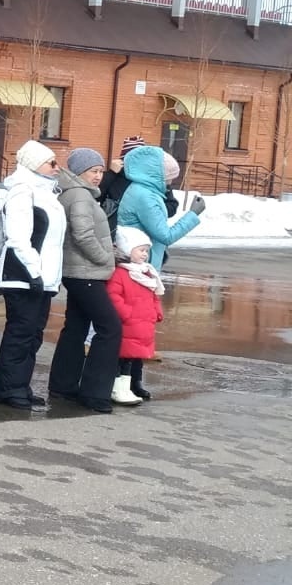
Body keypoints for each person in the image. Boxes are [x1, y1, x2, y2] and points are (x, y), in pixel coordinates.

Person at [0, 140, 67, 410]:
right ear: (34, 165)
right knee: (20, 333)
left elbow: (54, 242)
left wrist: (50, 277)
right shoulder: (23, 191)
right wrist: (34, 272)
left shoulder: (46, 193)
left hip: (41, 278)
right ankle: (8, 388)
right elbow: (19, 237)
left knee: (33, 334)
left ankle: (20, 384)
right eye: (51, 162)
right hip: (23, 276)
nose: (57, 167)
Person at [47, 148, 120, 413]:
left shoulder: (77, 192)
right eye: (93, 171)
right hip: (85, 272)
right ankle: (95, 393)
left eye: (100, 171)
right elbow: (83, 234)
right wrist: (104, 258)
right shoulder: (79, 195)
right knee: (110, 327)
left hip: (79, 271)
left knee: (76, 327)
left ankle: (63, 385)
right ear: (79, 172)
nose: (98, 176)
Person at [117, 145, 203, 273]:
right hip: (141, 265)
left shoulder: (144, 190)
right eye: (169, 177)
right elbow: (166, 236)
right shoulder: (145, 197)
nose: (171, 181)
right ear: (157, 175)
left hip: (140, 260)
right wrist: (193, 214)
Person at [108, 226, 163, 405]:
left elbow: (153, 294)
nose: (145, 254)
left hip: (141, 324)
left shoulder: (146, 272)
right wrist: (127, 313)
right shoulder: (121, 273)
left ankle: (129, 386)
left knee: (132, 357)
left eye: (146, 251)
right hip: (129, 323)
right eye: (141, 250)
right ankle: (118, 388)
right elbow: (113, 296)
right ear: (127, 250)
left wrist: (156, 311)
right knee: (123, 357)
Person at [99, 136, 146, 230]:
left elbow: (170, 206)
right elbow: (97, 195)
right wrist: (111, 173)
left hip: (142, 232)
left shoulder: (152, 178)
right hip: (114, 231)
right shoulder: (114, 177)